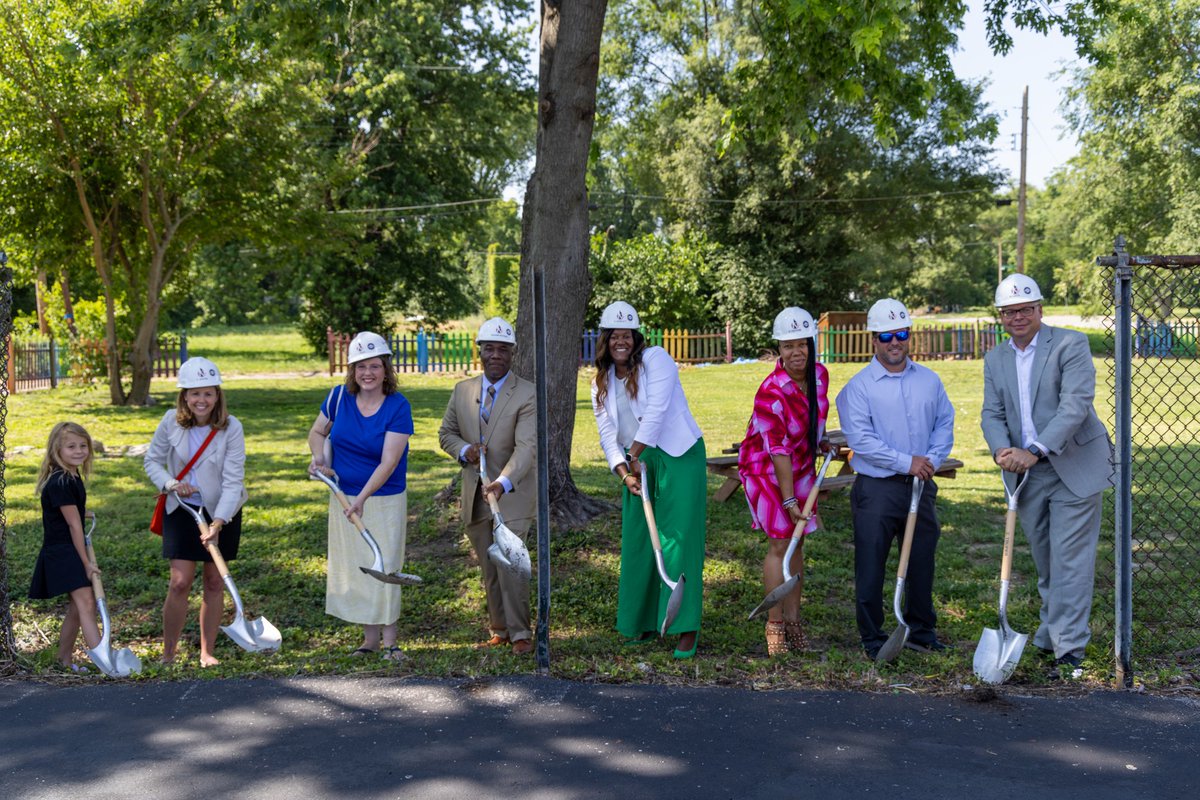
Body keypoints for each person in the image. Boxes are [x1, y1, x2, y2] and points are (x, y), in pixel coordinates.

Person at [981, 274, 1114, 675]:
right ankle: (1050, 631)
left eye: (1025, 308)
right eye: (1010, 311)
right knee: (1046, 560)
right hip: (1025, 475)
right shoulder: (995, 359)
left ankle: (1069, 648)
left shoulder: (1070, 345)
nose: (1018, 316)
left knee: (1070, 560)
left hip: (1072, 465)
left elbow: (1075, 406)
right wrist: (1002, 449)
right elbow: (992, 413)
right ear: (1001, 317)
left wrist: (1034, 450)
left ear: (1040, 309)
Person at [835, 299, 955, 660]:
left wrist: (930, 461)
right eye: (886, 335)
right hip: (877, 490)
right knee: (870, 565)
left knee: (921, 562)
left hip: (921, 487)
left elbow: (944, 424)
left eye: (900, 334)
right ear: (874, 339)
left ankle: (921, 631)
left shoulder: (929, 381)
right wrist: (908, 462)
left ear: (909, 336)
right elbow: (862, 442)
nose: (894, 342)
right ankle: (873, 638)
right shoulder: (857, 388)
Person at [591, 301, 706, 659]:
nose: (620, 342)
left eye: (626, 335)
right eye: (614, 337)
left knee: (678, 538)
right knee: (639, 540)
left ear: (635, 337)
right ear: (606, 341)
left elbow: (656, 410)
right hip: (636, 462)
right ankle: (638, 622)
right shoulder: (600, 382)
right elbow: (607, 434)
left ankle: (686, 628)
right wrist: (623, 472)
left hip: (677, 455)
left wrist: (635, 454)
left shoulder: (657, 359)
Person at [307, 331, 413, 661]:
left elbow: (389, 461)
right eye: (360, 367)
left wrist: (363, 498)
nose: (367, 373)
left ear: (386, 369)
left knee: (386, 564)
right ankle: (369, 641)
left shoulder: (398, 406)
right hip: (343, 495)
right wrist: (319, 460)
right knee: (360, 567)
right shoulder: (339, 397)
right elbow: (316, 432)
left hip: (382, 499)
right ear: (351, 370)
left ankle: (392, 642)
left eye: (374, 366)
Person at [438, 317, 537, 655]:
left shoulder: (526, 393)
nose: (496, 355)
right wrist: (465, 450)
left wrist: (502, 483)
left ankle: (522, 632)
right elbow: (446, 433)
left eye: (503, 349)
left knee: (512, 564)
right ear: (479, 351)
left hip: (512, 494)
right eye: (489, 348)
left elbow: (526, 448)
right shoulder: (462, 391)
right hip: (475, 497)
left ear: (512, 353)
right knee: (489, 566)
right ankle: (500, 629)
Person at [738, 307, 831, 655]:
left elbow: (813, 419)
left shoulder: (820, 375)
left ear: (811, 344)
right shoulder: (770, 391)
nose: (797, 353)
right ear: (779, 348)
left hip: (802, 464)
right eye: (788, 346)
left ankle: (794, 621)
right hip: (765, 467)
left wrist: (818, 441)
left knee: (800, 541)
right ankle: (774, 624)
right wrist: (789, 501)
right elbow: (776, 449)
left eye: (802, 345)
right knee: (780, 542)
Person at [145, 357, 248, 666]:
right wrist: (172, 483)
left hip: (221, 510)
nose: (201, 400)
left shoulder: (231, 428)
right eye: (194, 393)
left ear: (217, 396)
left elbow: (233, 480)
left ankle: (207, 652)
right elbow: (152, 460)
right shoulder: (170, 421)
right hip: (183, 509)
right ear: (184, 396)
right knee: (179, 581)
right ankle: (168, 654)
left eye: (208, 393)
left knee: (215, 582)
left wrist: (218, 522)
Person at [29, 422, 103, 673]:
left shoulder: (71, 475)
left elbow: (70, 515)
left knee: (78, 604)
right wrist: (86, 563)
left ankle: (64, 659)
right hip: (63, 551)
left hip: (66, 547)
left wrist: (83, 511)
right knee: (87, 603)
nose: (79, 451)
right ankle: (104, 662)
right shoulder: (61, 481)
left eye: (83, 445)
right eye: (71, 446)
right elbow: (73, 527)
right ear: (56, 450)